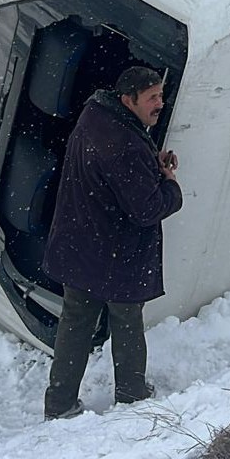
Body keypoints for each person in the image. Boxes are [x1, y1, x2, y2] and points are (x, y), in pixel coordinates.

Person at [41, 66, 183, 421]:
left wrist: (149, 163)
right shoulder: (123, 146)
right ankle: (133, 395)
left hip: (78, 246)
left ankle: (59, 404)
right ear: (127, 99)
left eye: (160, 96)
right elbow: (147, 208)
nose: (160, 104)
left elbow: (115, 175)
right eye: (152, 98)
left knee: (75, 322)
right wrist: (168, 184)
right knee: (127, 321)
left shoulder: (96, 115)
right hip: (116, 254)